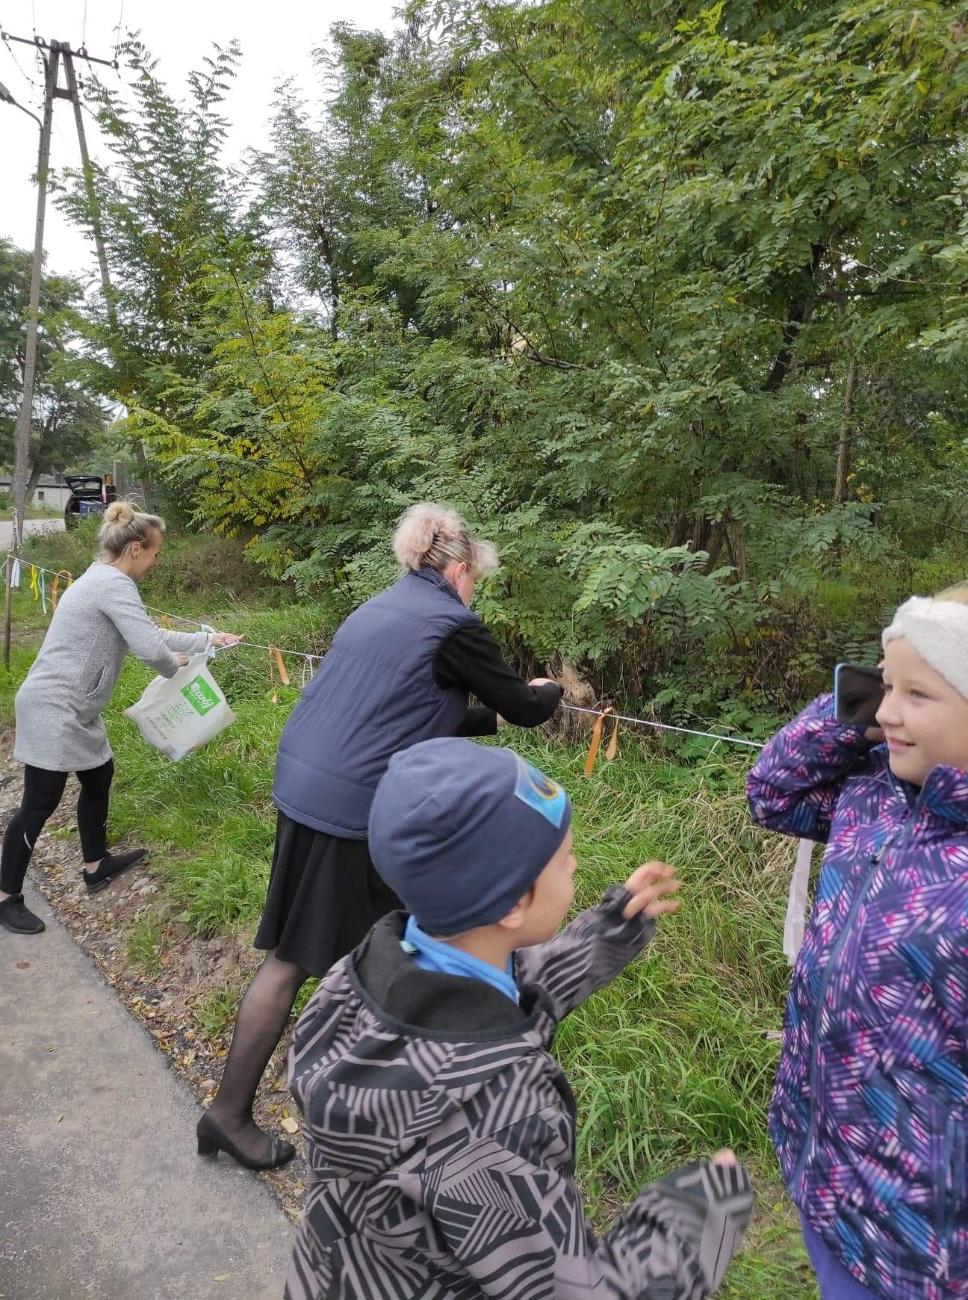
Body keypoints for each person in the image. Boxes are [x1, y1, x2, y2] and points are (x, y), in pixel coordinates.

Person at [281, 737, 753, 1299]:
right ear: (512, 906)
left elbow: (515, 987)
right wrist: (703, 1209)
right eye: (564, 857)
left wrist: (609, 928)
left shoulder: (360, 978)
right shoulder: (494, 1113)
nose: (575, 862)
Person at [200, 503, 563, 1170]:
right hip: (349, 806)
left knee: (350, 948)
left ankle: (374, 1104)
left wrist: (491, 717)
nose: (474, 589)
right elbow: (522, 705)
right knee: (319, 958)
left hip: (310, 783)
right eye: (475, 577)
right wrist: (548, 689)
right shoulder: (454, 624)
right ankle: (237, 1114)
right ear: (458, 570)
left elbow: (412, 705)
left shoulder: (382, 607)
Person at [747, 582, 968, 1298]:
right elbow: (773, 790)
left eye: (918, 695)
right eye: (882, 684)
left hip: (925, 1237)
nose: (888, 711)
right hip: (827, 1167)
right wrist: (856, 708)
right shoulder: (873, 792)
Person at [0, 502, 243, 936]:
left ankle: (95, 865)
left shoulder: (105, 581)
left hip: (77, 705)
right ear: (135, 549)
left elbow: (150, 635)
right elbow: (153, 651)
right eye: (155, 553)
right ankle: (7, 897)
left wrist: (209, 639)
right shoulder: (113, 585)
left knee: (99, 776)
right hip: (54, 706)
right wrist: (178, 667)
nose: (156, 561)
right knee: (38, 803)